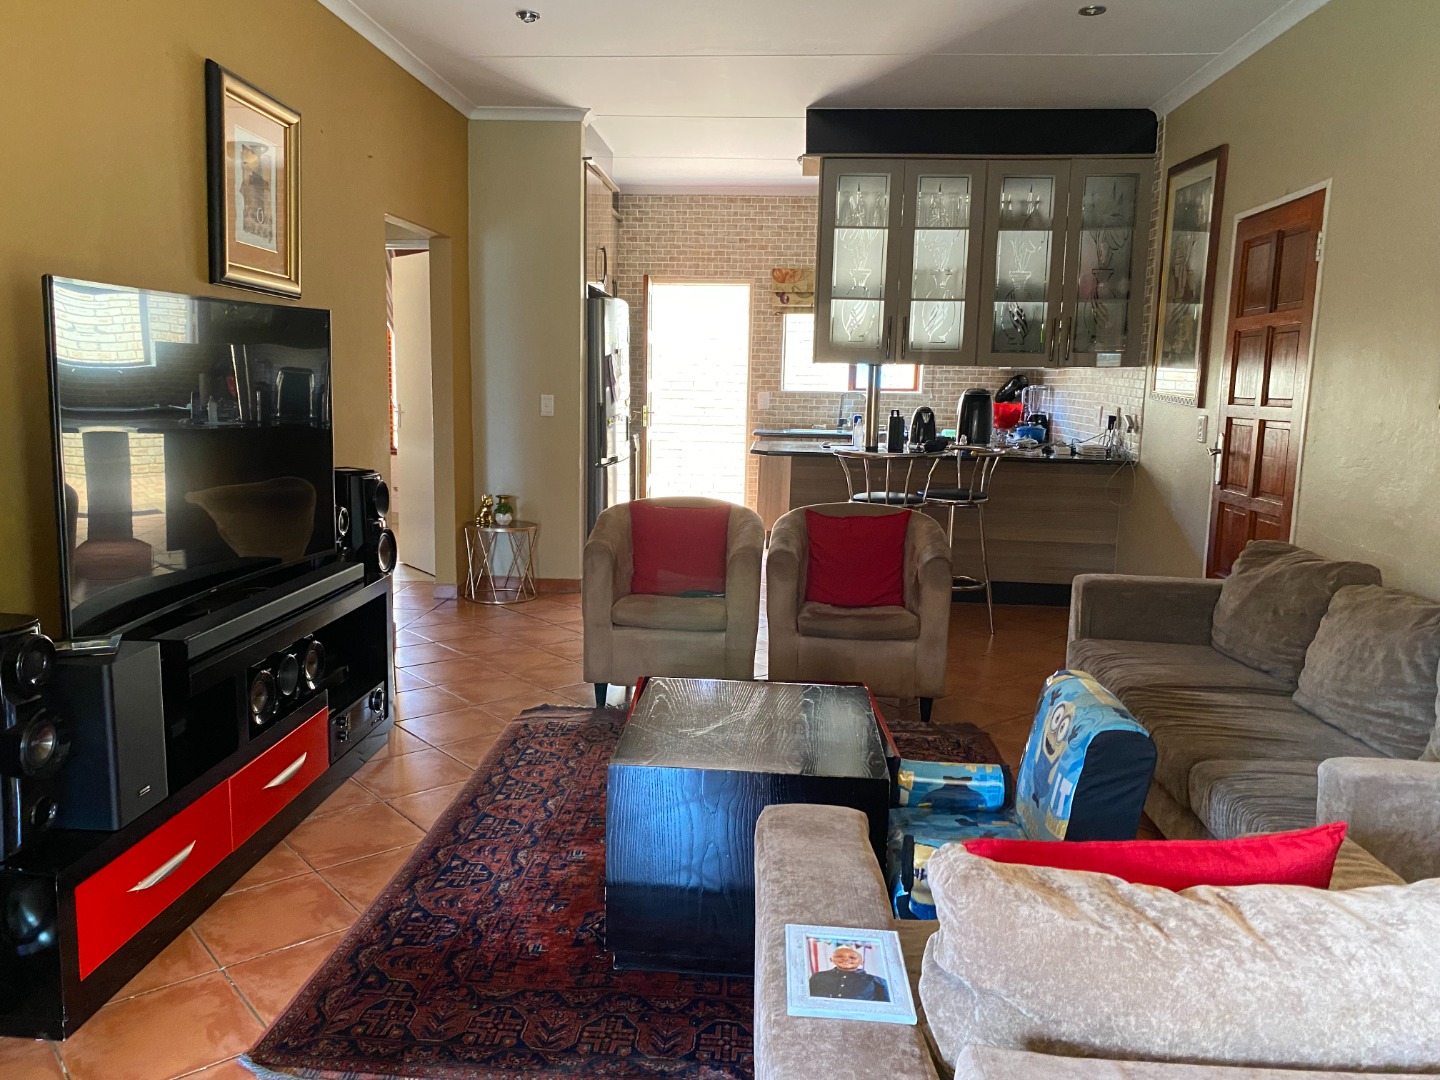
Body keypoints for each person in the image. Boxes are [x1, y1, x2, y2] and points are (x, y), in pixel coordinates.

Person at [807, 945, 890, 1001]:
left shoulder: (877, 982)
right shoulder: (818, 977)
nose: (846, 959)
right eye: (839, 956)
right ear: (831, 959)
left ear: (862, 961)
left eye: (852, 957)